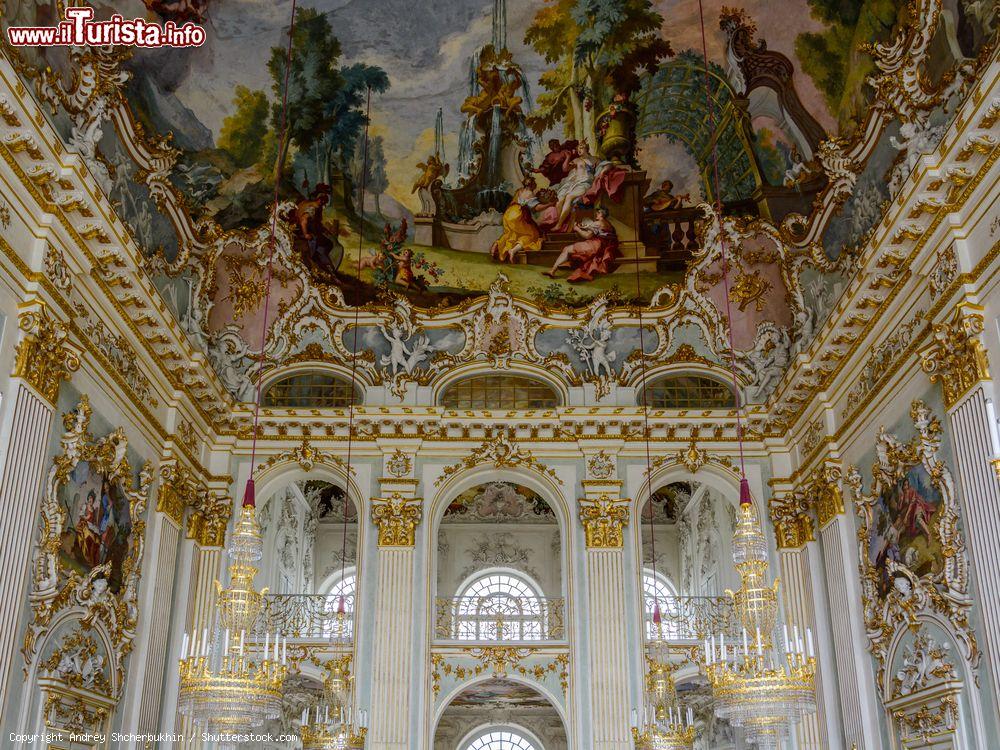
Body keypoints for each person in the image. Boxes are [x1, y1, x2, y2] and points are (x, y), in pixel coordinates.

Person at [543, 207, 621, 282]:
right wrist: (584, 227)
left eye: (598, 212)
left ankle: (552, 271)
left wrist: (577, 229)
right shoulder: (608, 224)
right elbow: (598, 232)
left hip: (594, 245)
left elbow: (587, 235)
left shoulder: (597, 223)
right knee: (571, 250)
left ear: (602, 214)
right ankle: (555, 269)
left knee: (566, 249)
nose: (596, 214)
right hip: (602, 247)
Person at [491, 176, 544, 263]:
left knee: (511, 234)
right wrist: (550, 204)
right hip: (518, 215)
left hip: (509, 213)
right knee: (532, 235)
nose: (536, 185)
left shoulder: (519, 191)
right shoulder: (530, 193)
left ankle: (497, 244)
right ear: (532, 185)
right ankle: (513, 250)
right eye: (535, 183)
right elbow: (537, 208)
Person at [553, 141, 598, 230]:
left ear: (586, 148)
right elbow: (565, 169)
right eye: (578, 149)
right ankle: (560, 224)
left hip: (585, 183)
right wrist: (568, 157)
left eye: (581, 147)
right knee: (560, 200)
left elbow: (604, 166)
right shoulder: (577, 160)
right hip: (575, 184)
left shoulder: (595, 159)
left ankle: (559, 224)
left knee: (569, 197)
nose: (579, 150)